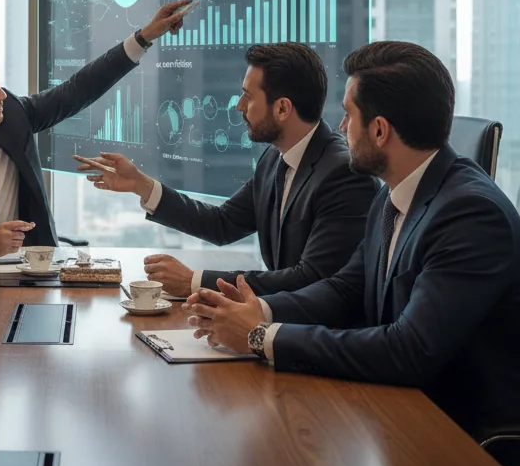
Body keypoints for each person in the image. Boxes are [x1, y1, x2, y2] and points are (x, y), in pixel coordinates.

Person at [185, 41, 520, 440]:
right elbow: (346, 288)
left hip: (457, 437)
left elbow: (409, 350)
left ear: (380, 130)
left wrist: (261, 337)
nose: (341, 128)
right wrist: (260, 311)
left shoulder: (471, 215)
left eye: (348, 116)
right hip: (395, 407)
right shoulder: (394, 194)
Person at [0, 1, 193, 263]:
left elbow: (79, 89)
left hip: (32, 270)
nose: (2, 95)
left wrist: (144, 37)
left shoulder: (13, 116)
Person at [77, 43, 379, 298]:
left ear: (283, 109)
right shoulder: (275, 160)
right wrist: (141, 185)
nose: (239, 106)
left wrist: (195, 281)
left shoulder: (343, 174)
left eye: (248, 96)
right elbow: (223, 224)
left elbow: (311, 279)